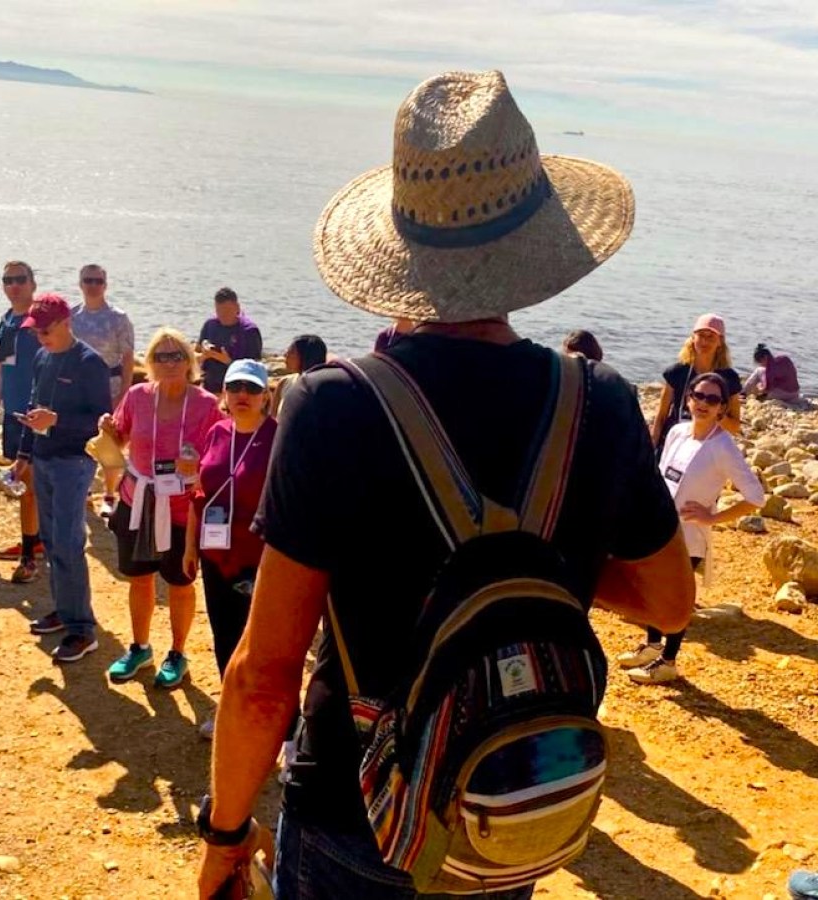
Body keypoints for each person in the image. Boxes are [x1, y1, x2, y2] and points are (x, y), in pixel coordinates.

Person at [198, 70, 695, 900]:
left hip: (355, 814)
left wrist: (223, 836)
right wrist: (547, 564)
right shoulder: (598, 400)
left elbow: (262, 677)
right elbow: (668, 603)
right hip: (502, 808)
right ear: (537, 237)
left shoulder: (333, 406)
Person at [619, 373, 766, 685]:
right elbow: (661, 476)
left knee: (675, 598)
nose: (703, 403)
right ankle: (652, 646)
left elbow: (755, 497)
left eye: (712, 399)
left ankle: (668, 662)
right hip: (659, 527)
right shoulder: (677, 432)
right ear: (688, 398)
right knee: (650, 589)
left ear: (722, 408)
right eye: (698, 395)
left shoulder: (723, 447)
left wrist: (712, 517)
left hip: (690, 537)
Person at [99, 328, 222, 689]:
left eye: (176, 356)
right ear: (150, 363)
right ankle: (140, 647)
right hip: (136, 498)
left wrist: (197, 465)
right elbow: (119, 439)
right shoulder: (137, 396)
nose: (169, 363)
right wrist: (108, 430)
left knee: (180, 582)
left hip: (182, 505)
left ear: (190, 361)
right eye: (160, 357)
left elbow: (218, 456)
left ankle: (178, 653)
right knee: (139, 578)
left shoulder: (205, 404)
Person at [12, 294, 112, 664]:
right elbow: (33, 405)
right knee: (51, 541)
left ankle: (83, 629)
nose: (41, 337)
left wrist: (56, 421)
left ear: (66, 322)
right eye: (36, 330)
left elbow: (103, 423)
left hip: (74, 461)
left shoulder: (90, 363)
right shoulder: (42, 357)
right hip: (44, 458)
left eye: (47, 330)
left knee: (69, 544)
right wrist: (24, 454)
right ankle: (64, 609)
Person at [185, 359, 277, 737]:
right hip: (214, 552)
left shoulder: (279, 437)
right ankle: (232, 706)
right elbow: (200, 494)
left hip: (258, 557)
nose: (242, 395)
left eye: (252, 389)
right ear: (224, 393)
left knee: (259, 641)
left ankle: (278, 723)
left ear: (265, 397)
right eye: (235, 387)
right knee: (224, 633)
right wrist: (190, 547)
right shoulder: (217, 433)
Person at [0, 261, 44, 579]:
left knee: (28, 487)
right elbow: (0, 370)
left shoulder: (41, 321)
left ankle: (29, 554)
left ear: (33, 283)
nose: (14, 285)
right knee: (28, 485)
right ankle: (37, 541)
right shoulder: (6, 322)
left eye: (20, 279)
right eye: (8, 280)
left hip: (37, 417)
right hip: (13, 416)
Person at [69, 263, 135, 518]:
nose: (93, 285)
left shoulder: (118, 318)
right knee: (80, 440)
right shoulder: (72, 316)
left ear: (105, 285)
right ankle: (83, 493)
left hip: (111, 385)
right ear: (80, 284)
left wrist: (124, 394)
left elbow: (128, 358)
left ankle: (109, 495)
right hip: (78, 387)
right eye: (88, 280)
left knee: (109, 444)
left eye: (98, 281)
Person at [649, 313, 742, 456]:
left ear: (720, 342)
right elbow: (661, 416)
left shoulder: (729, 378)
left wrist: (713, 414)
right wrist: (651, 449)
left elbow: (734, 427)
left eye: (711, 336)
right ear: (693, 338)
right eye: (701, 335)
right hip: (674, 442)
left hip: (707, 446)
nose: (704, 341)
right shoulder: (677, 372)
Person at [197, 287, 263, 395]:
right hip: (209, 384)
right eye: (219, 311)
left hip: (236, 388)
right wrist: (204, 355)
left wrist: (228, 361)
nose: (223, 315)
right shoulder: (210, 324)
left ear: (237, 307)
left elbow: (254, 368)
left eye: (227, 311)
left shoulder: (249, 331)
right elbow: (196, 353)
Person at [271, 334, 326, 418]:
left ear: (306, 357)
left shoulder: (321, 388)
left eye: (291, 352)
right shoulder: (284, 383)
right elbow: (272, 420)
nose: (286, 355)